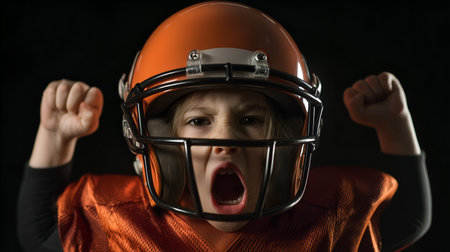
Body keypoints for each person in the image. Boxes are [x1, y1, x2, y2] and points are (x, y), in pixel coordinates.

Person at [17, 2, 431, 251]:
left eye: (250, 120)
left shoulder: (328, 217)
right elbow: (38, 234)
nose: (226, 139)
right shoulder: (121, 220)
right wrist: (54, 135)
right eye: (199, 121)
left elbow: (409, 219)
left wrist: (396, 124)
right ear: (156, 143)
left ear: (287, 144)